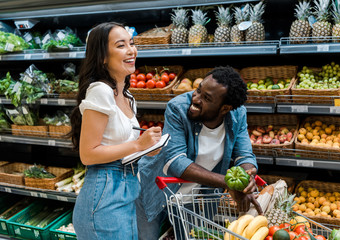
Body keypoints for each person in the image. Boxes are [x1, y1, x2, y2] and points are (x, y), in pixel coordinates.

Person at [136, 66, 262, 240]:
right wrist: (228, 183)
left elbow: (245, 155)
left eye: (206, 98)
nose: (195, 99)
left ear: (225, 108)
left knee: (191, 237)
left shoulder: (237, 114)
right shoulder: (178, 108)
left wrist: (246, 178)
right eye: (198, 90)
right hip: (155, 189)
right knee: (147, 237)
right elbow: (176, 161)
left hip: (194, 196)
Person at [69, 22, 162, 240]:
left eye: (131, 43)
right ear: (102, 57)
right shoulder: (100, 91)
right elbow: (88, 154)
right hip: (104, 192)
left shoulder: (128, 96)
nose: (131, 50)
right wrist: (137, 145)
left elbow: (118, 145)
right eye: (121, 46)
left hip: (127, 187)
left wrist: (147, 149)